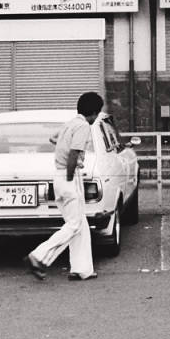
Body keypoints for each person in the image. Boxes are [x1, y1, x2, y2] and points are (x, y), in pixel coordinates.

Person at [27, 92, 103, 282]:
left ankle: (81, 269)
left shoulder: (70, 124)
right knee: (74, 225)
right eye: (97, 114)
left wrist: (64, 147)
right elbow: (74, 153)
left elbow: (54, 139)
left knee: (80, 224)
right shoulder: (83, 126)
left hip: (58, 176)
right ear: (93, 113)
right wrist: (72, 172)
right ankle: (39, 256)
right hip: (69, 177)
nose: (96, 118)